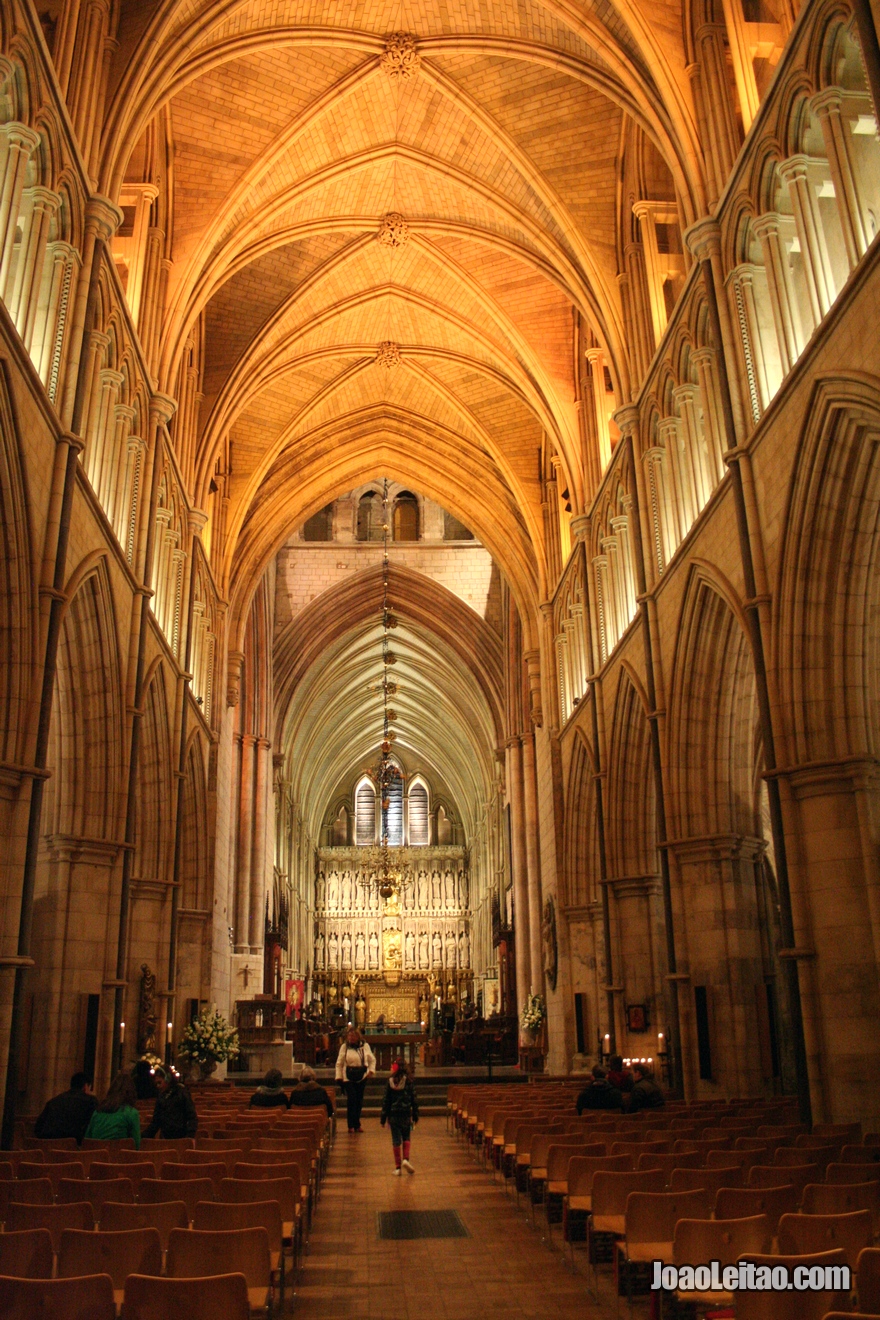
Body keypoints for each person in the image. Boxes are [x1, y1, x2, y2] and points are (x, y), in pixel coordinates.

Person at [34, 1071, 96, 1144]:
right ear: (86, 1087)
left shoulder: (53, 1101)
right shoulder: (90, 1101)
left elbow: (38, 1128)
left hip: (47, 1147)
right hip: (74, 1148)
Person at [380, 1058, 419, 1174]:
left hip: (393, 1116)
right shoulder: (409, 1081)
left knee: (396, 1140)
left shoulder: (390, 1081)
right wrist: (416, 1115)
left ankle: (398, 1168)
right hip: (406, 1114)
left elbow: (386, 1101)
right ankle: (406, 1159)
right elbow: (414, 1099)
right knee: (406, 1137)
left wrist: (383, 1118)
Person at [84, 1071, 141, 1148]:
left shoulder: (97, 1112)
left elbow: (87, 1140)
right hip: (120, 1158)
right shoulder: (131, 1113)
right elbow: (136, 1145)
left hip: (97, 1157)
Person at [335, 1027, 375, 1133]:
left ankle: (357, 1123)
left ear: (358, 1037)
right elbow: (339, 1063)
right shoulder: (345, 1047)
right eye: (349, 1036)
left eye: (353, 1036)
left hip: (361, 1076)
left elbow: (372, 1059)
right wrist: (339, 1077)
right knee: (352, 1099)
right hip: (348, 1076)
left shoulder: (364, 1046)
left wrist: (371, 1071)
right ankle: (351, 1125)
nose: (351, 1038)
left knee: (359, 1100)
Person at [143, 1067, 198, 1138]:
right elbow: (156, 1123)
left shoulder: (181, 1092)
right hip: (166, 1138)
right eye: (156, 1084)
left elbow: (192, 1117)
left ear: (168, 1079)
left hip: (183, 1137)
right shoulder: (161, 1097)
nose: (158, 1086)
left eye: (159, 1082)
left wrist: (188, 1137)